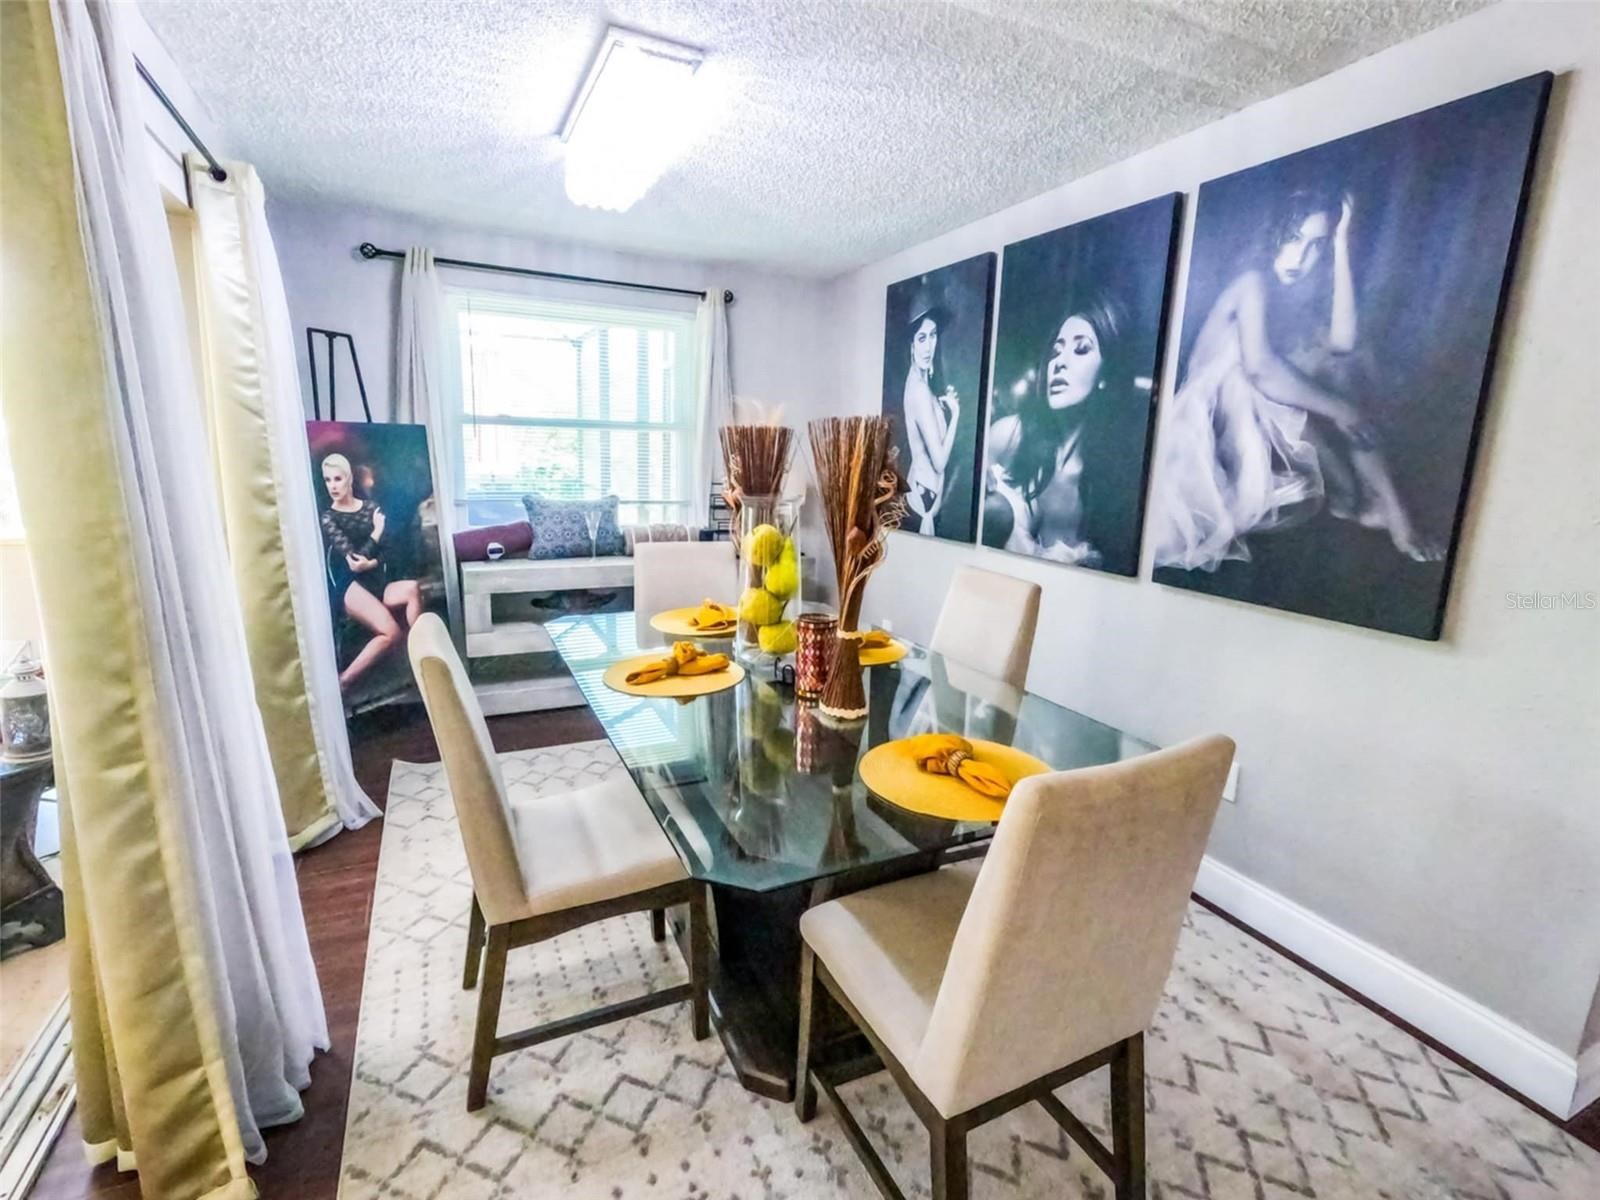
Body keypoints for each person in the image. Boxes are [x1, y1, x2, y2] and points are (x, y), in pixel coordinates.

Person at [1150, 187, 1443, 571]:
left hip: (1259, 416)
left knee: (1341, 367)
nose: (1300, 257)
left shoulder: (1288, 297)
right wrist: (1342, 410)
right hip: (1212, 427)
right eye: (1293, 238)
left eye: (1315, 245)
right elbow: (1261, 370)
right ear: (1271, 235)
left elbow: (1343, 342)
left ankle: (1384, 507)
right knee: (1315, 387)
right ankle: (1380, 508)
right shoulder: (1251, 282)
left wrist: (1341, 244)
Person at [983, 291, 1145, 573]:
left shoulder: (1110, 483)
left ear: (1106, 373)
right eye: (1056, 352)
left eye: (1081, 350)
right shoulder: (1007, 436)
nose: (1059, 362)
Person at [318, 452, 422, 690]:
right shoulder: (329, 518)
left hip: (376, 580)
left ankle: (420, 657)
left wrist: (372, 563)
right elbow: (355, 560)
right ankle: (343, 681)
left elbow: (389, 552)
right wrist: (376, 533)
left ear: (349, 479)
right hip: (348, 584)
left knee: (413, 589)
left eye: (337, 479)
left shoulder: (370, 508)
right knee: (391, 633)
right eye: (328, 480)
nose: (333, 486)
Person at [899, 294, 962, 536]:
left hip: (922, 494)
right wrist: (955, 416)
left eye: (933, 335)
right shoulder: (919, 391)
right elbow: (939, 462)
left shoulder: (922, 385)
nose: (928, 346)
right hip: (923, 501)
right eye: (921, 338)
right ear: (912, 344)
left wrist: (941, 407)